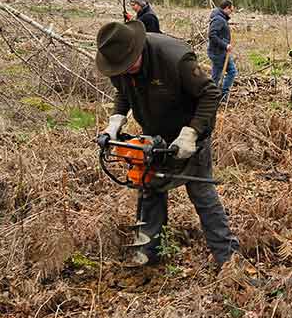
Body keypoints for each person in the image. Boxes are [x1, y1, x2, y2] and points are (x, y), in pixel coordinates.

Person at [96, 20, 239, 270]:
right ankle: (149, 254)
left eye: (130, 65)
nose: (127, 71)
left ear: (138, 49)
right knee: (149, 189)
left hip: (190, 135)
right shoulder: (119, 64)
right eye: (122, 68)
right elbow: (123, 93)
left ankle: (228, 259)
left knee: (202, 195)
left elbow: (210, 94)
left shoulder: (175, 58)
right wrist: (114, 123)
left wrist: (191, 134)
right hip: (155, 139)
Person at [207, 0, 236, 103]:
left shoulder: (220, 17)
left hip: (220, 52)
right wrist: (225, 45)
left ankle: (212, 96)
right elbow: (212, 35)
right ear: (226, 8)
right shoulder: (219, 19)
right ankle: (220, 97)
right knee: (230, 72)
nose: (231, 12)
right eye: (231, 10)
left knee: (216, 76)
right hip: (218, 53)